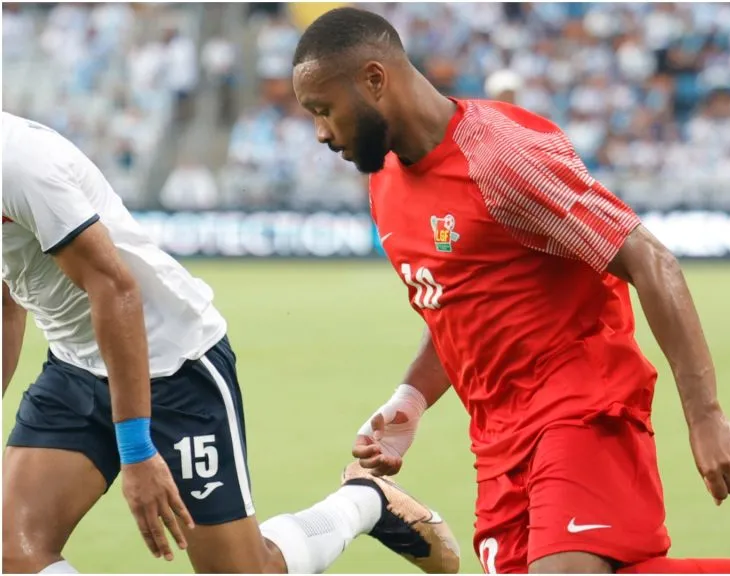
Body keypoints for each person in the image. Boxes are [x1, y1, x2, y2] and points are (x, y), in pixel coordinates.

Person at [291, 7, 730, 575]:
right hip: (498, 442)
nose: (321, 132)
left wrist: (705, 415)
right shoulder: (384, 180)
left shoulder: (502, 158)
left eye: (324, 110)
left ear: (373, 80)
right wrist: (410, 400)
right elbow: (460, 303)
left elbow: (650, 258)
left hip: (582, 409)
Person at [1, 111, 460, 575]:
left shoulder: (19, 163)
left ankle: (365, 501)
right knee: (12, 553)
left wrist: (136, 448)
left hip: (172, 361)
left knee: (241, 570)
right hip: (75, 364)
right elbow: (6, 299)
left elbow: (117, 289)